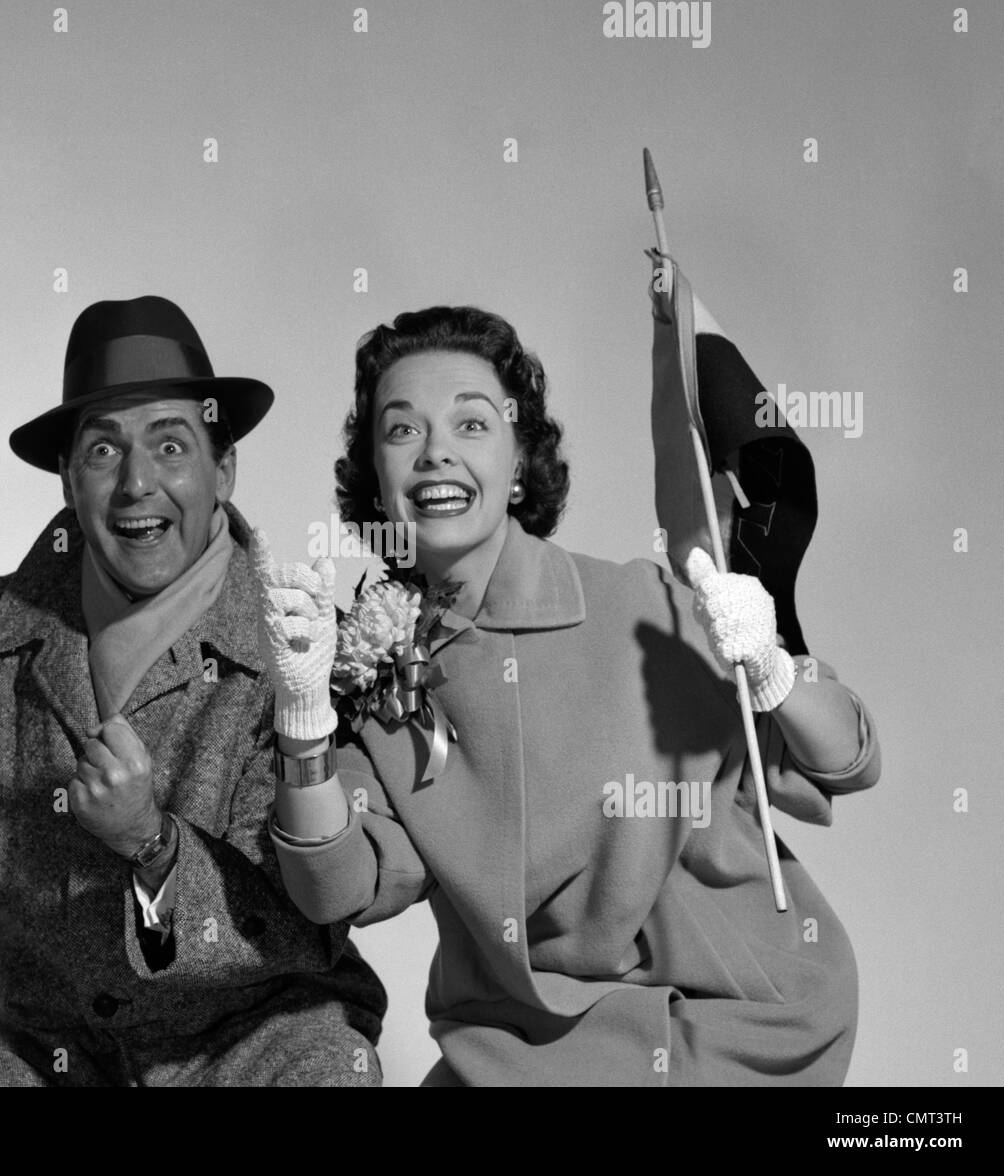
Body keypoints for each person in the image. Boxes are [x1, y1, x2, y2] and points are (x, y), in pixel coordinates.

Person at [255, 304, 881, 1086]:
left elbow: (846, 762)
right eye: (402, 430)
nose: (435, 454)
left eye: (472, 425)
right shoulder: (372, 678)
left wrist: (773, 669)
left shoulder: (644, 605)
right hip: (519, 1054)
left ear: (520, 465)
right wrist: (305, 720)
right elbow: (336, 888)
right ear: (376, 479)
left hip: (729, 1030)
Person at [0, 295, 385, 1086]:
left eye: (171, 446)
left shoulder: (307, 650)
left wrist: (153, 844)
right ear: (69, 478)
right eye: (104, 452)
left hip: (258, 1041)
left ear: (225, 467)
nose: (137, 483)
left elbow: (309, 920)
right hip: (46, 1053)